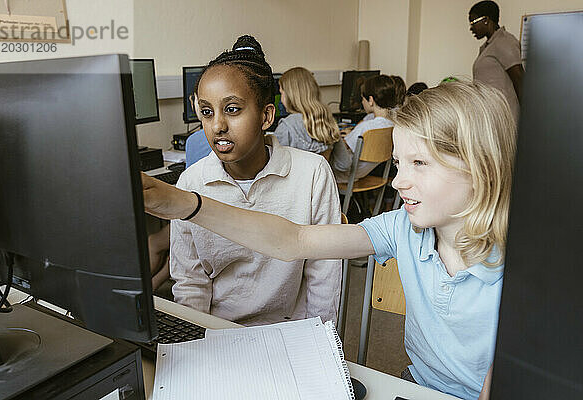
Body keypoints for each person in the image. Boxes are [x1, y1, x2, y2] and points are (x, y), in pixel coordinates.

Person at [142, 80, 516, 400]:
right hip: (418, 387)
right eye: (399, 164)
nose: (399, 181)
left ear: (480, 165)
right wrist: (183, 204)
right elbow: (294, 240)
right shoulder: (405, 227)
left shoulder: (523, 264)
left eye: (420, 164)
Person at [168, 35, 342, 326]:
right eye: (207, 112)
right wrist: (193, 345)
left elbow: (323, 278)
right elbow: (190, 283)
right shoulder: (190, 184)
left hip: (292, 331)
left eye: (232, 109)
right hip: (220, 334)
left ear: (266, 116)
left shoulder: (312, 174)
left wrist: (317, 344)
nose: (217, 126)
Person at [330, 74, 396, 183]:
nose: (362, 102)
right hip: (364, 172)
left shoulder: (366, 127)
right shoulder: (393, 125)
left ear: (370, 100)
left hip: (346, 174)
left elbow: (344, 147)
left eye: (362, 98)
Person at [469, 0, 524, 121]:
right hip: (489, 116)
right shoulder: (487, 47)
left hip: (505, 118)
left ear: (486, 20)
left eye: (473, 22)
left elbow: (519, 79)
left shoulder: (505, 41)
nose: (471, 28)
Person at [273, 67, 340, 160]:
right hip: (323, 174)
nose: (281, 99)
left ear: (290, 95)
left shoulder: (287, 126)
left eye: (282, 93)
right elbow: (344, 164)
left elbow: (274, 164)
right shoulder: (328, 121)